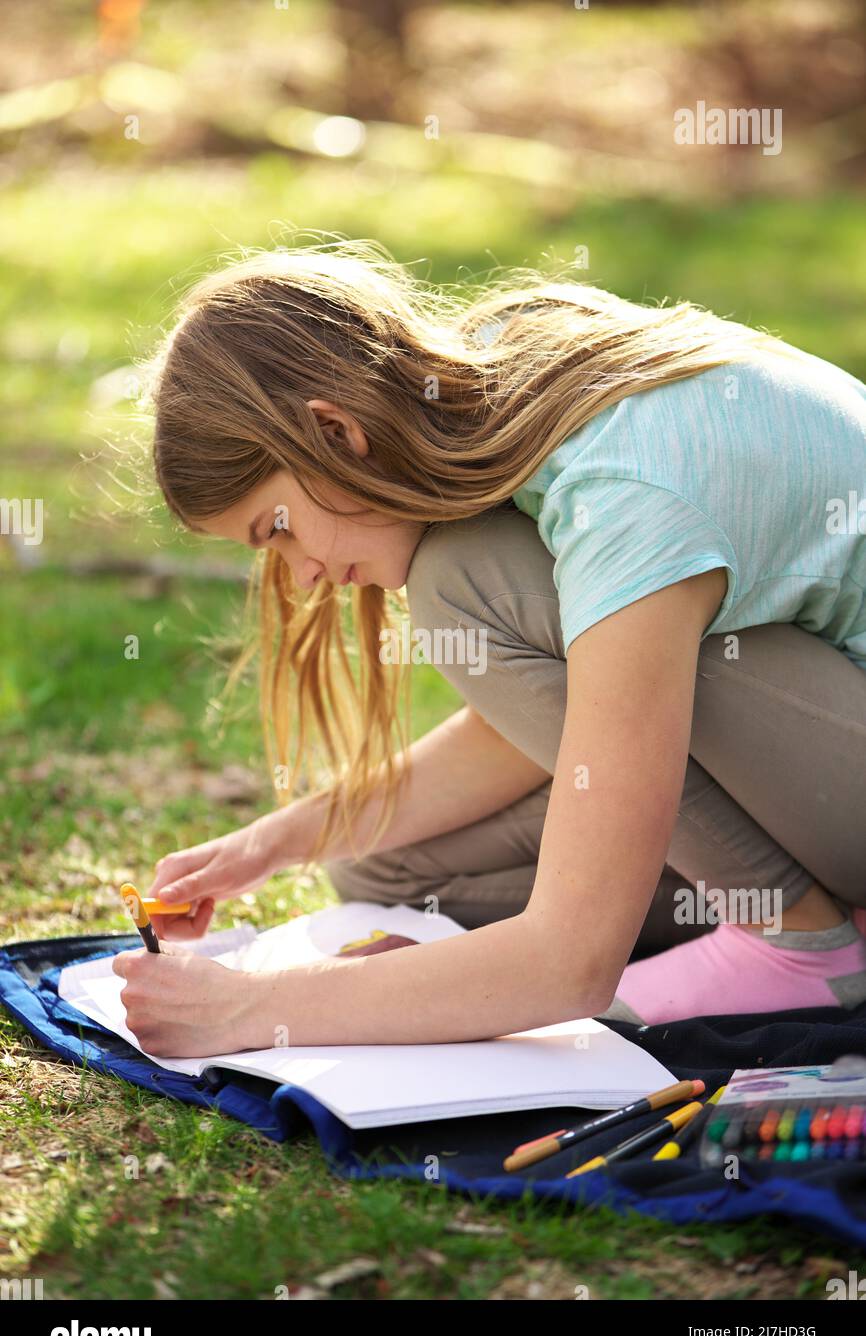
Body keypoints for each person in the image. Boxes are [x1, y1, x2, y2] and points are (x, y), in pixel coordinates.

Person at [112, 240, 866, 1059]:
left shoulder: (622, 492)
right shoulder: (497, 372)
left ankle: (802, 946)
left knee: (465, 582)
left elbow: (568, 967)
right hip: (821, 756)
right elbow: (583, 716)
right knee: (389, 870)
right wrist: (274, 843)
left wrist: (253, 1008)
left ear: (336, 432)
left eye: (279, 531)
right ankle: (793, 913)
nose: (303, 580)